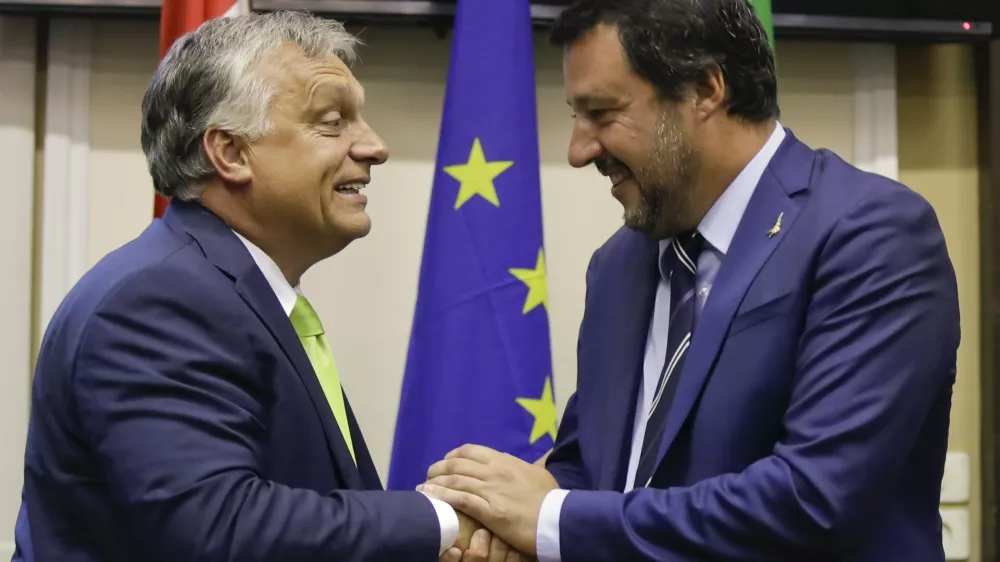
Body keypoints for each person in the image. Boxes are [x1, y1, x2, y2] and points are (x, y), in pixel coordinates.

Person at [419, 0, 961, 560]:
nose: (579, 151)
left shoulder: (870, 233)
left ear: (705, 89)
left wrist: (552, 519)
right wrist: (490, 517)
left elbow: (812, 499)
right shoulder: (618, 265)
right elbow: (594, 466)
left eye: (602, 114)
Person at [17, 11, 521, 562]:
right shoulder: (160, 301)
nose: (374, 146)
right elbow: (221, 528)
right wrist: (444, 520)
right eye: (332, 122)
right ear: (230, 152)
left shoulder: (232, 292)